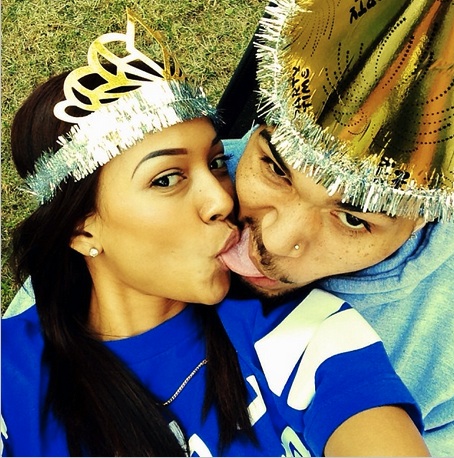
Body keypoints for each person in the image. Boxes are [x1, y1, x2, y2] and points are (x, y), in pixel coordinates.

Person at [1, 9, 430, 458]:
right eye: (167, 178)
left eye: (217, 162)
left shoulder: (301, 333)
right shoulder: (11, 370)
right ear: (81, 230)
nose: (222, 200)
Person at [220, 0, 454, 455]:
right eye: (275, 169)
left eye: (352, 218)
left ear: (427, 214)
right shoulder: (180, 191)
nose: (275, 241)